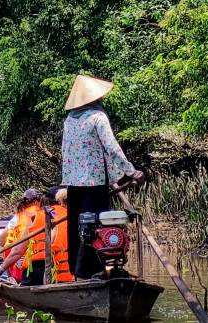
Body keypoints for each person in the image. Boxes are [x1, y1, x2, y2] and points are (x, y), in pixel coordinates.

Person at [61, 75, 144, 279]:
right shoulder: (98, 117)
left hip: (74, 183)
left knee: (78, 226)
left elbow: (65, 151)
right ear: (93, 99)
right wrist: (131, 171)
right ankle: (91, 272)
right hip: (94, 181)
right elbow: (112, 148)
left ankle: (77, 271)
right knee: (94, 226)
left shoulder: (70, 120)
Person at [0, 188, 42, 283]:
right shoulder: (49, 214)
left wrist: (1, 269)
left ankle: (11, 277)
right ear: (36, 201)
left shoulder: (18, 217)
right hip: (48, 269)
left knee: (7, 247)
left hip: (23, 270)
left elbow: (1, 241)